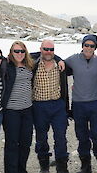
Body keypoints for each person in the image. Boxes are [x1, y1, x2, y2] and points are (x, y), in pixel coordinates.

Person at [65, 34, 97, 173]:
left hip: (95, 104)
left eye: (92, 46)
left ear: (95, 47)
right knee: (82, 136)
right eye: (86, 45)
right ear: (82, 46)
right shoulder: (73, 59)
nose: (88, 48)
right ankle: (86, 166)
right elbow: (58, 63)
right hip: (78, 105)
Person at [32, 40, 69, 173]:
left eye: (51, 49)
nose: (48, 52)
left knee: (60, 137)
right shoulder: (33, 63)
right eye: (45, 49)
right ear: (40, 49)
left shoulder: (60, 65)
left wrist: (59, 59)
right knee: (41, 138)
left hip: (58, 105)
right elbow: (21, 55)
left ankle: (62, 167)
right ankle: (44, 166)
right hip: (39, 106)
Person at [2, 41, 35, 173]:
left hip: (27, 110)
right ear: (11, 52)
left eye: (22, 51)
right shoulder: (6, 65)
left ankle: (22, 169)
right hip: (11, 111)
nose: (19, 54)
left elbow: (46, 53)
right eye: (16, 51)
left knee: (26, 143)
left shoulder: (30, 64)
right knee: (12, 144)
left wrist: (58, 59)